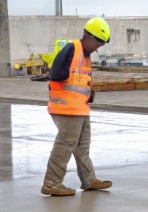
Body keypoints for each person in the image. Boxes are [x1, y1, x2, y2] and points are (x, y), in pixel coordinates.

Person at [41, 17, 114, 197]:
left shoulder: (85, 55)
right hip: (66, 107)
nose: (99, 46)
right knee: (65, 144)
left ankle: (89, 179)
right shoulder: (72, 48)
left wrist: (88, 93)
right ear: (88, 36)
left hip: (80, 107)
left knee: (82, 146)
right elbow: (56, 74)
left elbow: (78, 79)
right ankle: (52, 182)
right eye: (98, 42)